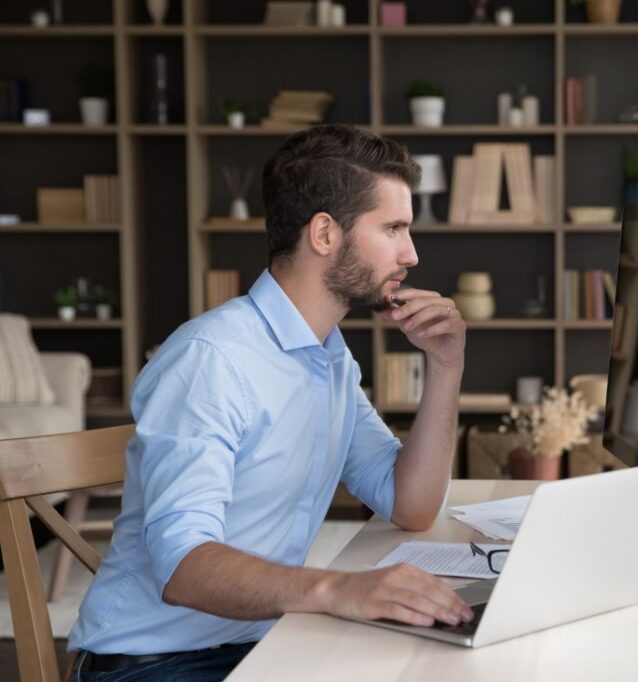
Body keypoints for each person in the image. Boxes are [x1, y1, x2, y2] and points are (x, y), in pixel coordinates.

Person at [69, 125, 473, 681]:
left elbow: (411, 504)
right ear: (326, 234)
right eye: (394, 228)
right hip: (150, 665)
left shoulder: (328, 357)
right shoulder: (211, 360)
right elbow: (184, 565)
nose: (411, 253)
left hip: (261, 643)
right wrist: (338, 588)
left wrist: (445, 366)